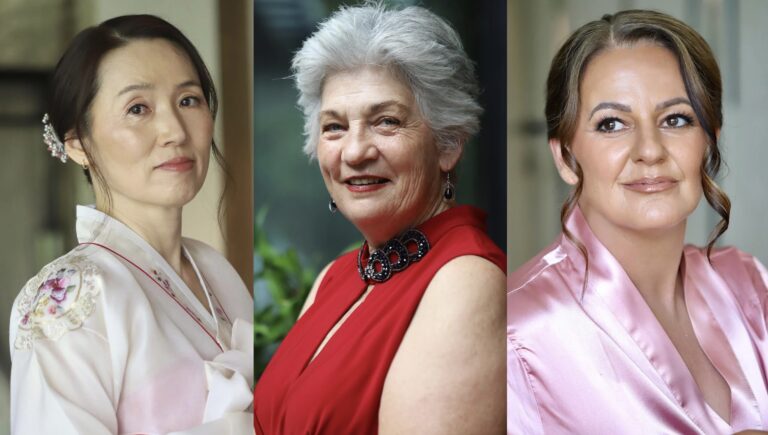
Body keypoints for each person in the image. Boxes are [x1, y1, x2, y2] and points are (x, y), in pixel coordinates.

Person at [507, 9, 768, 434]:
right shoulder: (520, 335)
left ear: (708, 142)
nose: (649, 149)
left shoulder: (750, 286)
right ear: (566, 157)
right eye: (612, 124)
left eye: (676, 119)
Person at [253, 3, 506, 434]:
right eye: (334, 127)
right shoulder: (335, 278)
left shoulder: (466, 281)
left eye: (386, 122)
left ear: (448, 143)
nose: (354, 152)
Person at [9, 15, 253, 434]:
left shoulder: (216, 271)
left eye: (188, 100)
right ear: (79, 145)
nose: (173, 130)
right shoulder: (69, 298)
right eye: (138, 108)